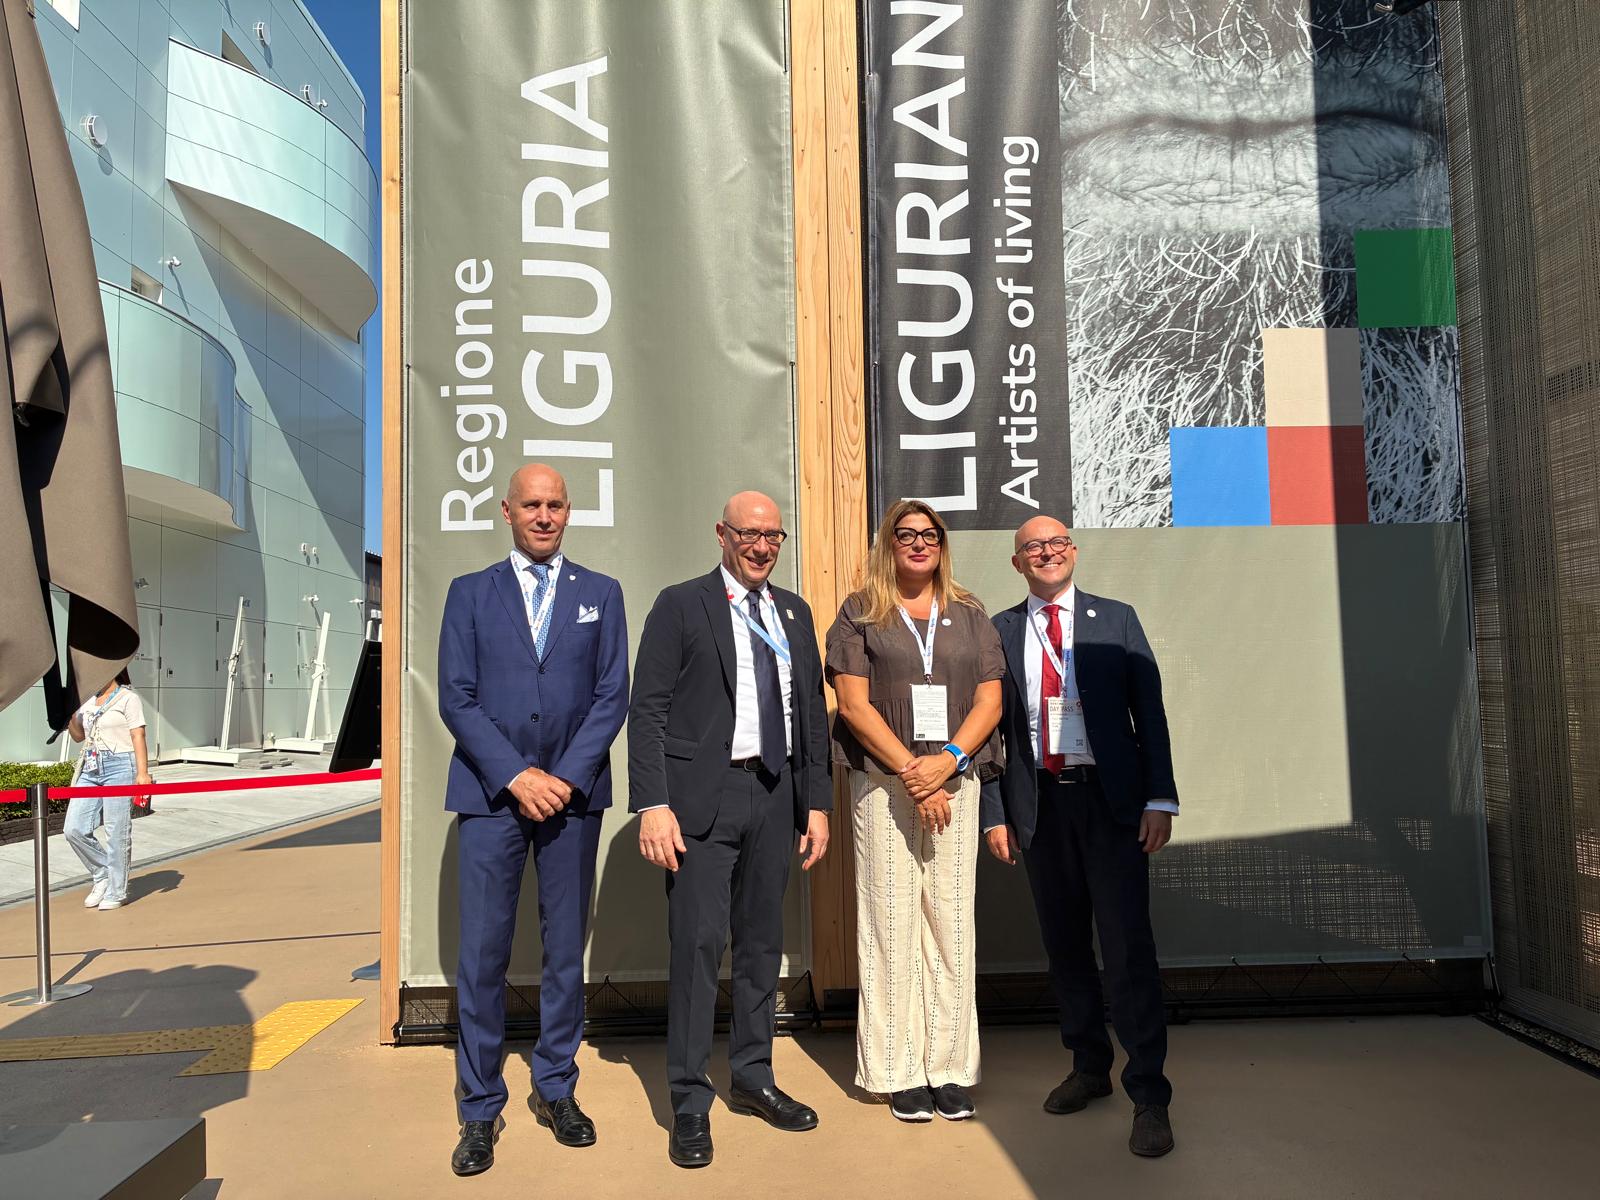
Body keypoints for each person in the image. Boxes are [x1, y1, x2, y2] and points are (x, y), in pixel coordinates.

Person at [627, 490, 832, 1169]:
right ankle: (690, 1100)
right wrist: (652, 804)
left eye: (773, 535)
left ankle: (752, 1076)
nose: (762, 546)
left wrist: (817, 803)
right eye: (749, 534)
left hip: (774, 796)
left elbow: (810, 713)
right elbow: (647, 710)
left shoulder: (793, 611)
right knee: (697, 946)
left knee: (761, 944)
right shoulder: (681, 604)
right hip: (699, 803)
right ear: (722, 533)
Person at [437, 464, 629, 1178]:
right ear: (507, 511)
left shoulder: (601, 594)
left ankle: (556, 1088)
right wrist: (517, 775)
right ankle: (480, 1106)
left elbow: (612, 695)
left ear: (569, 512)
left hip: (573, 800)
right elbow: (456, 696)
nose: (543, 516)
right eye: (531, 505)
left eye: (554, 505)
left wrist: (564, 778)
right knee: (482, 956)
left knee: (563, 951)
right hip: (491, 797)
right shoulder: (469, 593)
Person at [980, 515, 1179, 1157]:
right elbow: (990, 734)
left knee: (1126, 947)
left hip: (1112, 805)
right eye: (1032, 547)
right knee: (1065, 947)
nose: (1047, 553)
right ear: (1017, 563)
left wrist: (1159, 798)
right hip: (1040, 806)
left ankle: (1148, 1093)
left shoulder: (1116, 619)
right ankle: (1090, 1067)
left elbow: (1149, 713)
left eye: (1057, 543)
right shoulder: (999, 631)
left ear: (1074, 552)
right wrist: (995, 813)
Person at [825, 500, 1004, 1123]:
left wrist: (947, 762)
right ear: (889, 543)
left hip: (956, 781)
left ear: (941, 544)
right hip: (884, 785)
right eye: (906, 534)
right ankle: (898, 1071)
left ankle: (949, 1068)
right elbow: (853, 706)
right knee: (891, 922)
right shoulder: (860, 612)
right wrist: (914, 773)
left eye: (930, 534)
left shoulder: (971, 613)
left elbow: (989, 702)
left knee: (952, 924)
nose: (919, 543)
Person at [64, 668, 152, 911]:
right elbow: (78, 736)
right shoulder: (87, 700)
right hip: (91, 768)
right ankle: (102, 872)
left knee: (116, 831)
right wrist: (71, 715)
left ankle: (116, 890)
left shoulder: (128, 698)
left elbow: (138, 735)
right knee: (73, 828)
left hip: (120, 765)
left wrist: (142, 773)